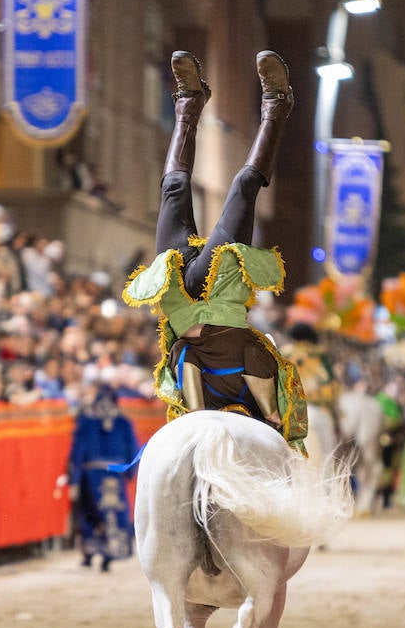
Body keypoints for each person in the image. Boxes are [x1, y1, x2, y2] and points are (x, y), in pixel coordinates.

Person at [123, 50, 307, 450]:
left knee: (172, 190)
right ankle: (277, 106)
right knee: (243, 186)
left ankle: (189, 102)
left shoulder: (199, 384)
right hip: (219, 287)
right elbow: (275, 408)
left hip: (177, 292)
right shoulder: (254, 363)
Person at [65, 386, 139, 572]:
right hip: (115, 472)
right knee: (113, 511)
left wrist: (74, 478)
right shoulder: (123, 421)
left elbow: (77, 449)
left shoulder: (86, 420)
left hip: (91, 472)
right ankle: (109, 555)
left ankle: (89, 553)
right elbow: (133, 448)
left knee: (90, 513)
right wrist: (130, 472)